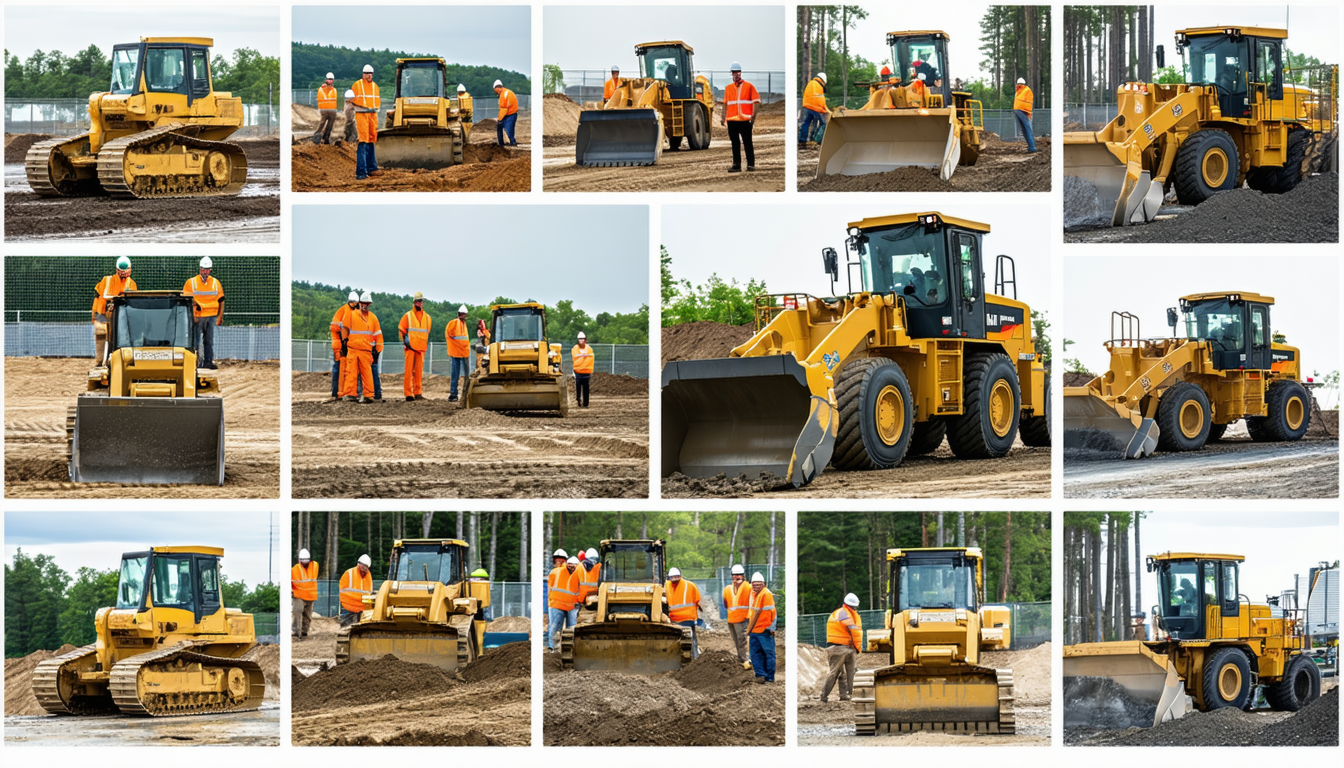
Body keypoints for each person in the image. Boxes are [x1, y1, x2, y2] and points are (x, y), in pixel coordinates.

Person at [92, 257, 137, 365]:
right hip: (103, 314)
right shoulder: (107, 280)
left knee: (118, 339)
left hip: (120, 316)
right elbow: (99, 297)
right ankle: (100, 361)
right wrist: (95, 315)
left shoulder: (131, 284)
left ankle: (113, 361)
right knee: (102, 335)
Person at [821, 593, 863, 702]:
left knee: (840, 673)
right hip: (844, 647)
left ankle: (841, 695)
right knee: (844, 673)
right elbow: (855, 631)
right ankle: (826, 696)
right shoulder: (847, 614)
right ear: (853, 606)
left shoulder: (838, 613)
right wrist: (858, 647)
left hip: (835, 647)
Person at [342, 292, 383, 404]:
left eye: (367, 303)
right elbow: (344, 329)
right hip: (353, 349)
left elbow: (378, 335)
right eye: (363, 303)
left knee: (367, 374)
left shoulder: (373, 318)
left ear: (369, 304)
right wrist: (344, 342)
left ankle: (368, 395)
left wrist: (377, 350)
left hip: (366, 350)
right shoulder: (351, 315)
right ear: (359, 303)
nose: (365, 305)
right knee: (351, 372)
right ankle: (350, 394)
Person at [183, 257, 224, 370]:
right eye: (203, 269)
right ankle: (195, 363)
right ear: (200, 269)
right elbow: (188, 300)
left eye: (207, 269)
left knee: (209, 340)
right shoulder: (191, 282)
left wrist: (219, 317)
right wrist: (193, 316)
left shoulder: (215, 283)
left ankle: (208, 362)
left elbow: (221, 300)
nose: (205, 272)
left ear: (210, 269)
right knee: (195, 341)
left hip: (211, 316)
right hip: (198, 316)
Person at [720, 62, 760, 173]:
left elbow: (756, 102)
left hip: (745, 120)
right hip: (732, 120)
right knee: (735, 144)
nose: (735, 74)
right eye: (734, 72)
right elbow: (725, 104)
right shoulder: (728, 88)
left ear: (740, 73)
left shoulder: (749, 86)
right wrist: (723, 117)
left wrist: (753, 117)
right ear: (731, 74)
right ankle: (736, 165)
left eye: (737, 72)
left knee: (748, 143)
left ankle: (751, 165)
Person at [398, 292, 432, 401]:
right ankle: (408, 393)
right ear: (414, 302)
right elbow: (401, 330)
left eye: (420, 301)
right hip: (410, 348)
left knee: (418, 372)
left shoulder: (427, 318)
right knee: (408, 371)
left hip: (420, 348)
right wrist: (404, 341)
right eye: (417, 301)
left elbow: (426, 332)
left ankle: (418, 393)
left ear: (423, 302)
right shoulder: (408, 316)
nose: (419, 303)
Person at [351, 65, 383, 180]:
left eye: (371, 73)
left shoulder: (375, 86)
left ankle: (372, 168)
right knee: (363, 142)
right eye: (367, 73)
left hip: (372, 116)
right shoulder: (357, 85)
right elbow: (351, 100)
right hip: (362, 116)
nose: (369, 75)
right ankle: (361, 171)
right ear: (363, 73)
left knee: (371, 141)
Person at [327, 291, 359, 403]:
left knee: (347, 369)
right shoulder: (344, 311)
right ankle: (336, 392)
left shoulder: (351, 311)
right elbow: (335, 327)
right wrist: (343, 338)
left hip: (346, 344)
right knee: (338, 368)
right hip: (340, 345)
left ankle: (344, 391)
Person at [745, 572, 776, 683]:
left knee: (768, 654)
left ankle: (769, 677)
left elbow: (765, 613)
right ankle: (760, 675)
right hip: (756, 630)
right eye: (754, 584)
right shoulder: (754, 594)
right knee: (755, 654)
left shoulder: (765, 594)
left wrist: (748, 630)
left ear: (763, 584)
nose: (756, 586)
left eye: (758, 584)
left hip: (764, 630)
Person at [665, 567, 702, 659]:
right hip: (683, 618)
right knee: (690, 639)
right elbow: (698, 601)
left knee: (684, 640)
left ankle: (692, 658)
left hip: (682, 619)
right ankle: (694, 658)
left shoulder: (667, 586)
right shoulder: (690, 585)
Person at [547, 553, 581, 650]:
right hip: (557, 604)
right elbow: (550, 588)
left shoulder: (579, 573)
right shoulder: (556, 572)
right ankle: (553, 648)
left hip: (572, 605)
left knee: (571, 629)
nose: (572, 567)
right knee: (555, 628)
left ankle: (569, 648)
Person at [723, 564, 751, 668]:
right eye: (735, 575)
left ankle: (746, 660)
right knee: (736, 640)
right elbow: (725, 603)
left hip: (742, 619)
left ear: (743, 576)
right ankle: (741, 659)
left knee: (742, 640)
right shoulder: (727, 589)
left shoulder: (749, 587)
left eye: (739, 575)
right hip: (731, 619)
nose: (736, 577)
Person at [291, 549, 319, 638]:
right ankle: (295, 631)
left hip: (310, 595)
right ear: (300, 560)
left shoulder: (314, 566)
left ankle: (304, 631)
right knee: (297, 611)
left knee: (307, 614)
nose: (305, 563)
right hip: (298, 595)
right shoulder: (294, 570)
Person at [338, 554, 373, 627]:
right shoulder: (349, 573)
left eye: (366, 566)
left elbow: (369, 592)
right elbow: (343, 590)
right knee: (345, 626)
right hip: (349, 605)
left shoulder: (368, 576)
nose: (364, 568)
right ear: (358, 564)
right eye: (362, 565)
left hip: (362, 607)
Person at [445, 305, 471, 402]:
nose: (464, 316)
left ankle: (466, 393)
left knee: (467, 376)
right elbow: (450, 334)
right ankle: (453, 394)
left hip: (463, 353)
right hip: (455, 353)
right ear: (460, 314)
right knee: (455, 374)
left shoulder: (463, 325)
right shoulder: (454, 323)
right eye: (463, 314)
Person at [799, 72, 829, 149]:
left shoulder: (810, 83)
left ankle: (802, 141)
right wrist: (825, 110)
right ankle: (817, 140)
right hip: (816, 108)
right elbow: (820, 100)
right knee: (823, 123)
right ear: (823, 80)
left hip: (807, 106)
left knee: (805, 123)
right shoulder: (819, 86)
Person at [313, 72, 338, 144]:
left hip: (332, 110)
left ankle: (326, 138)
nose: (331, 81)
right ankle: (316, 135)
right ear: (326, 80)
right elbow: (319, 98)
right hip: (324, 110)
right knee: (322, 123)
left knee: (330, 126)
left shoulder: (334, 90)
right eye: (329, 79)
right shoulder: (322, 89)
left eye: (332, 79)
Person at [1013, 77, 1036, 153]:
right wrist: (1029, 113)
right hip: (1023, 110)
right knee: (1028, 129)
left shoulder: (1017, 91)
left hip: (1016, 109)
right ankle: (1032, 147)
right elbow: (1028, 102)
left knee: (1024, 129)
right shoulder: (1027, 90)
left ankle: (1030, 146)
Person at [571, 331, 594, 408]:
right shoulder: (575, 348)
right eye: (580, 339)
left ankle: (585, 403)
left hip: (586, 371)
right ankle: (578, 399)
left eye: (582, 339)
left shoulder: (589, 349)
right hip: (578, 371)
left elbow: (590, 358)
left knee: (586, 388)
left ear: (585, 340)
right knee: (578, 387)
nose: (581, 341)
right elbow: (575, 357)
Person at [494, 80, 519, 147]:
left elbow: (504, 109)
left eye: (495, 90)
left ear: (498, 88)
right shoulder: (506, 92)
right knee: (505, 128)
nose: (496, 92)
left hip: (510, 114)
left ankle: (511, 143)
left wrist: (499, 119)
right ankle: (504, 143)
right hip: (511, 113)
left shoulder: (504, 94)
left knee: (508, 129)